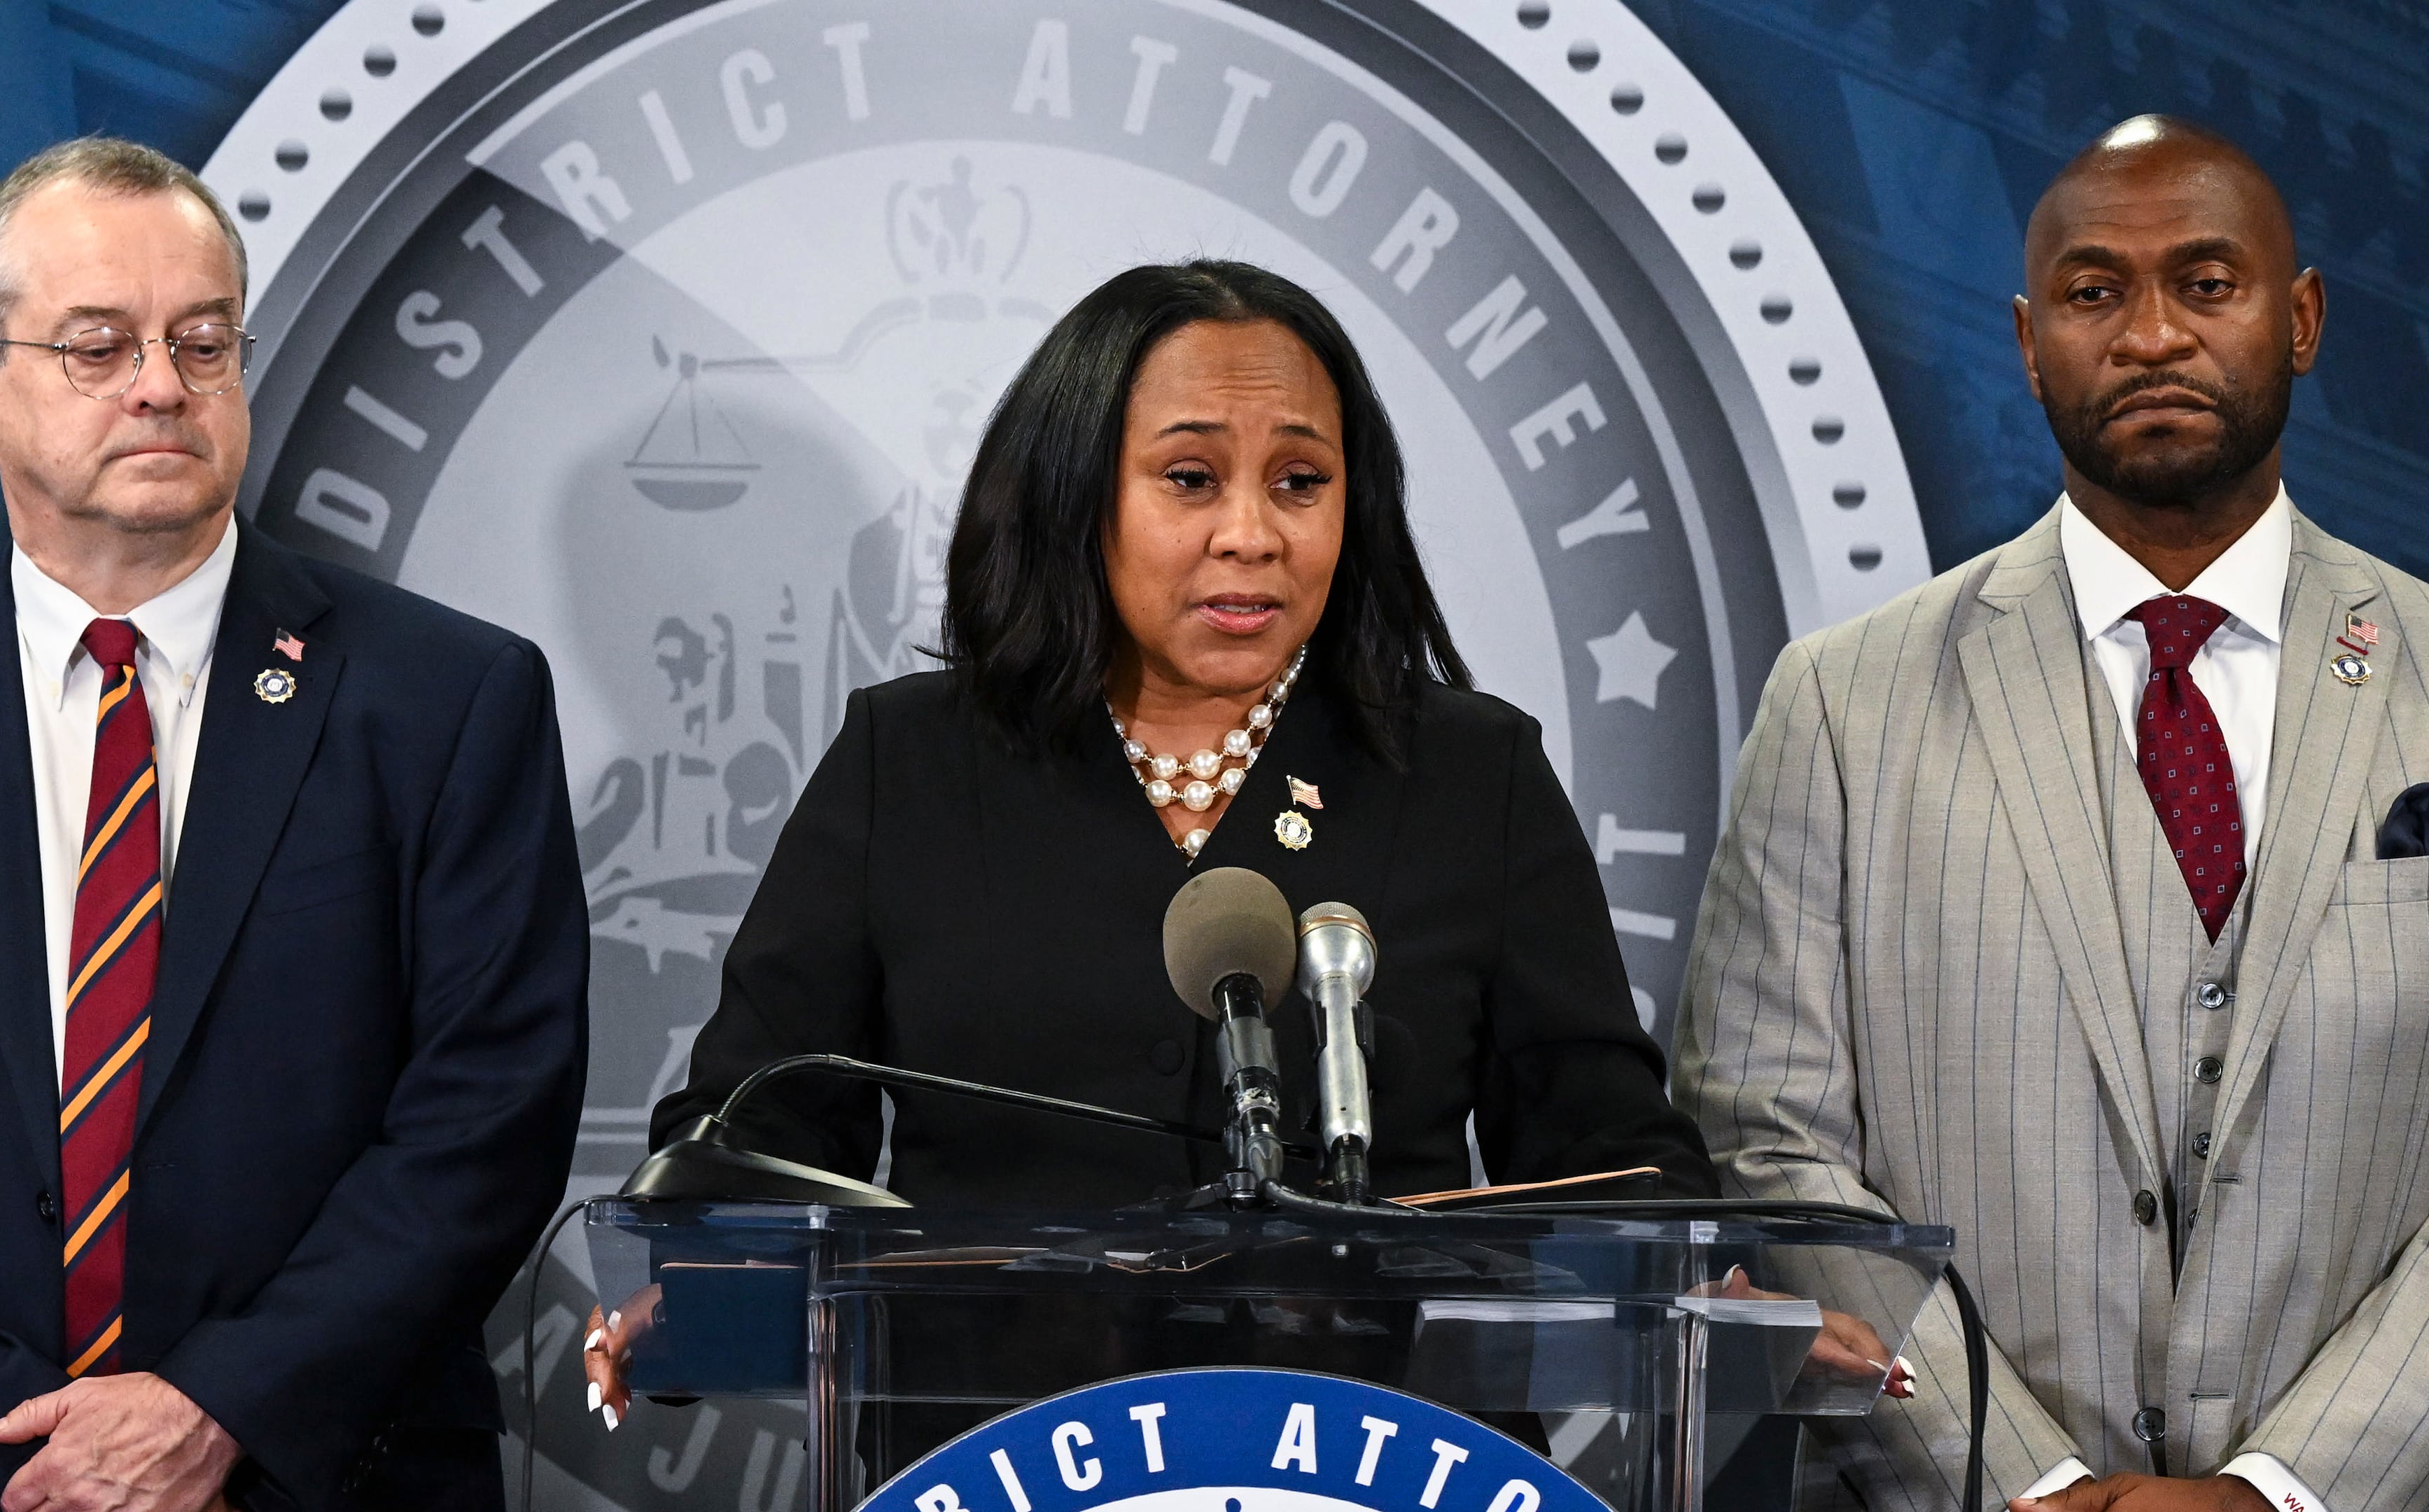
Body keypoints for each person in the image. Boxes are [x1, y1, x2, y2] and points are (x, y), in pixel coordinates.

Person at [582, 256, 1716, 1428]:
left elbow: (1611, 1156)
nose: (1251, 534)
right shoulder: (912, 762)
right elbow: (757, 1120)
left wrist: (1721, 1291)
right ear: (1078, 495)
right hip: (994, 1456)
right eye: (1189, 477)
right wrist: (708, 1284)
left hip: (1376, 1459)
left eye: (1300, 482)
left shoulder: (1473, 776)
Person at [1678, 113, 2429, 1512]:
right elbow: (1770, 1149)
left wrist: (2282, 1491)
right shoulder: (1839, 705)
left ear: (2301, 318)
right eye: (2094, 293)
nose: (2149, 337)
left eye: (2206, 283)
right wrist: (2024, 1482)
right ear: (2025, 340)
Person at [0, 138, 589, 1509]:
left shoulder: (449, 701)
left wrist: (215, 1408)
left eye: (201, 341)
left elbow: (488, 1120)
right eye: (97, 346)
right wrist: (8, 1446)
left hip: (327, 1473)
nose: (161, 388)